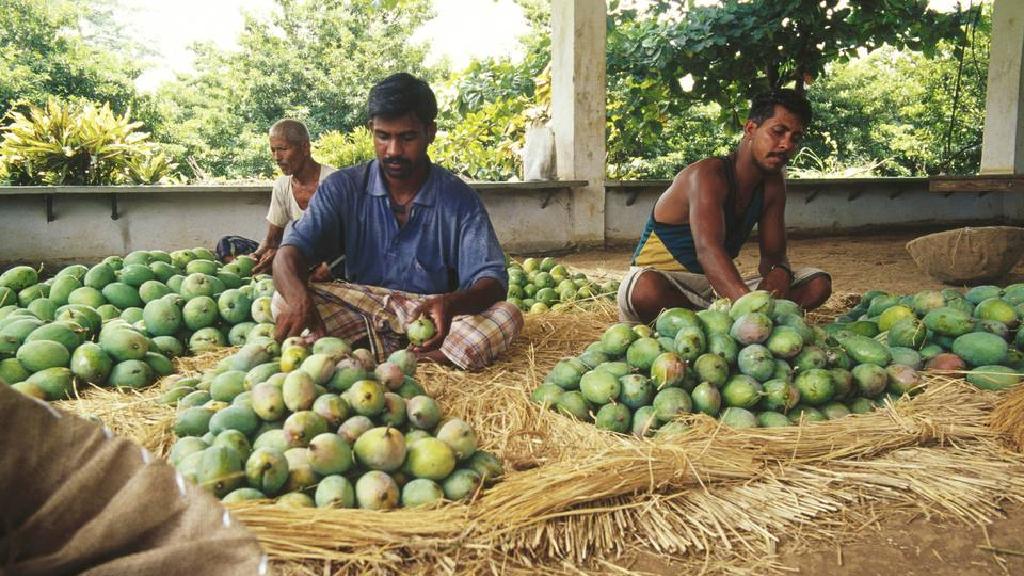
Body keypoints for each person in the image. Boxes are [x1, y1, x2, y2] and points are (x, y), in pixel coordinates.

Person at [271, 73, 522, 370]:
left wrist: (450, 304)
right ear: (370, 131)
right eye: (383, 136)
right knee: (282, 300)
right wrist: (300, 300)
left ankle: (411, 361)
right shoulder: (343, 187)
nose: (393, 151)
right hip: (365, 306)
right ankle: (411, 358)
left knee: (507, 316)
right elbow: (289, 254)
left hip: (432, 314)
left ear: (430, 132)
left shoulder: (459, 199)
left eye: (407, 137)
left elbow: (492, 280)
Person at [618, 89, 832, 324]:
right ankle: (725, 324)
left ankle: (716, 323)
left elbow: (774, 256)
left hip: (716, 293)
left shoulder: (772, 184)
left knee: (817, 283)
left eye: (795, 138)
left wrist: (779, 273)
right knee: (645, 290)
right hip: (669, 285)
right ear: (750, 129)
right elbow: (708, 251)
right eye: (778, 132)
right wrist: (748, 311)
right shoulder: (707, 175)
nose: (786, 145)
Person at [247, 120, 337, 282]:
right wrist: (255, 258)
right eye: (273, 150)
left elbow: (342, 244)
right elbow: (272, 240)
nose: (276, 157)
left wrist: (285, 257)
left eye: (282, 149)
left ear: (305, 147)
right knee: (228, 244)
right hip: (297, 257)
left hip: (329, 261)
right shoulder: (283, 186)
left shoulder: (334, 182)